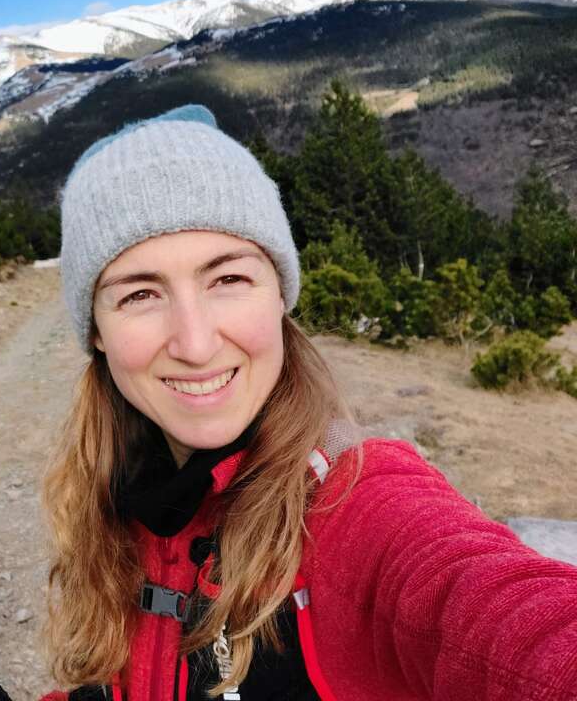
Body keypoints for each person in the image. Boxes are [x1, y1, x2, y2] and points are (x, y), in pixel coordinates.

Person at [39, 105, 577, 701]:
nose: (195, 344)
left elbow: (512, 622)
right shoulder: (115, 493)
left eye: (228, 280)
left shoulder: (359, 501)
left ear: (279, 294)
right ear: (95, 331)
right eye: (140, 294)